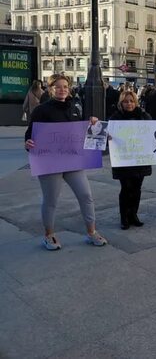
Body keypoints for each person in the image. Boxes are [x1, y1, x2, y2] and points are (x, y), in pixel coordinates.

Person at [24, 74, 107, 250]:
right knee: (51, 200)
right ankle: (49, 235)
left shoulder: (75, 107)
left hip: (72, 161)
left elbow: (82, 131)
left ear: (69, 89)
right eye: (58, 86)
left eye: (65, 86)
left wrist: (93, 124)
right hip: (50, 162)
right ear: (50, 89)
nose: (62, 89)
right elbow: (30, 134)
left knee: (86, 196)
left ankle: (92, 232)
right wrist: (28, 143)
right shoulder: (41, 110)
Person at [107, 90, 152, 229]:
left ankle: (134, 214)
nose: (129, 104)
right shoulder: (115, 118)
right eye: (126, 101)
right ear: (121, 103)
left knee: (137, 188)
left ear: (136, 102)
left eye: (131, 101)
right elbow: (107, 134)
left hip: (140, 159)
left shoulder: (144, 116)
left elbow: (153, 132)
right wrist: (109, 137)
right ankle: (124, 217)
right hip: (123, 160)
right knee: (126, 188)